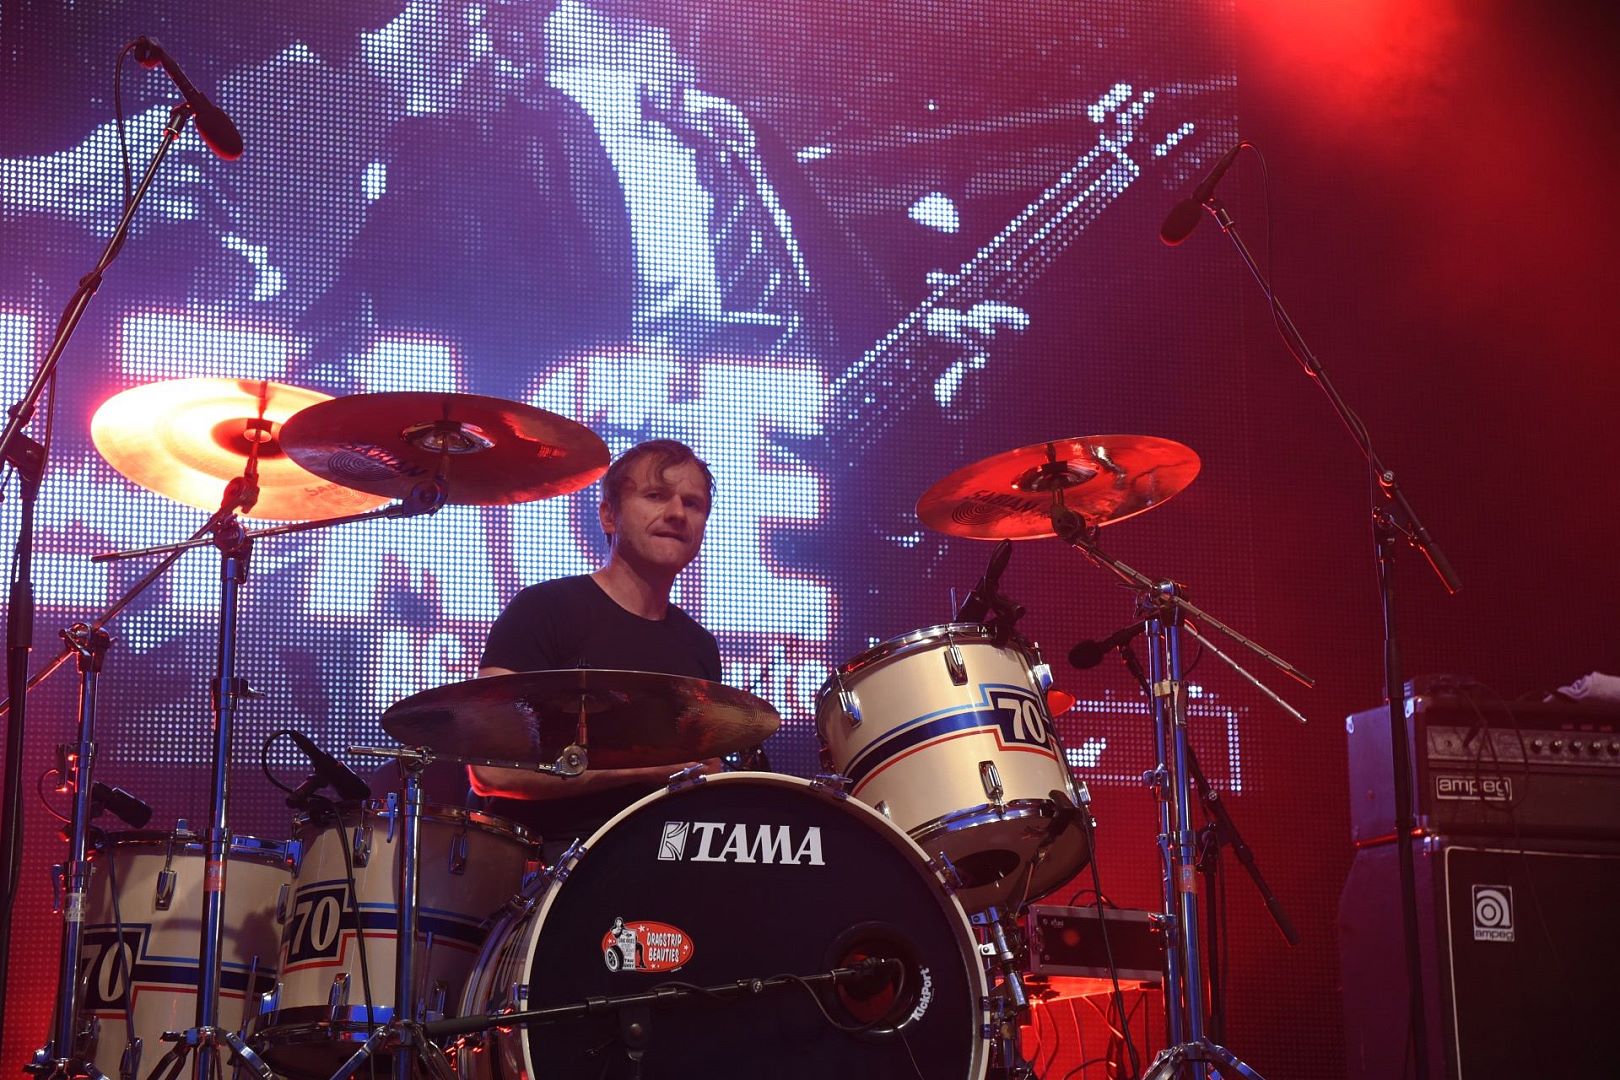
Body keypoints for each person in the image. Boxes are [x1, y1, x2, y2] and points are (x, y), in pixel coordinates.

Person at [469, 438, 722, 855]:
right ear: (608, 516)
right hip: (552, 867)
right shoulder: (544, 609)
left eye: (692, 504)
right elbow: (490, 770)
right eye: (656, 496)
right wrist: (643, 769)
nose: (677, 513)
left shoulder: (699, 646)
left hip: (665, 864)